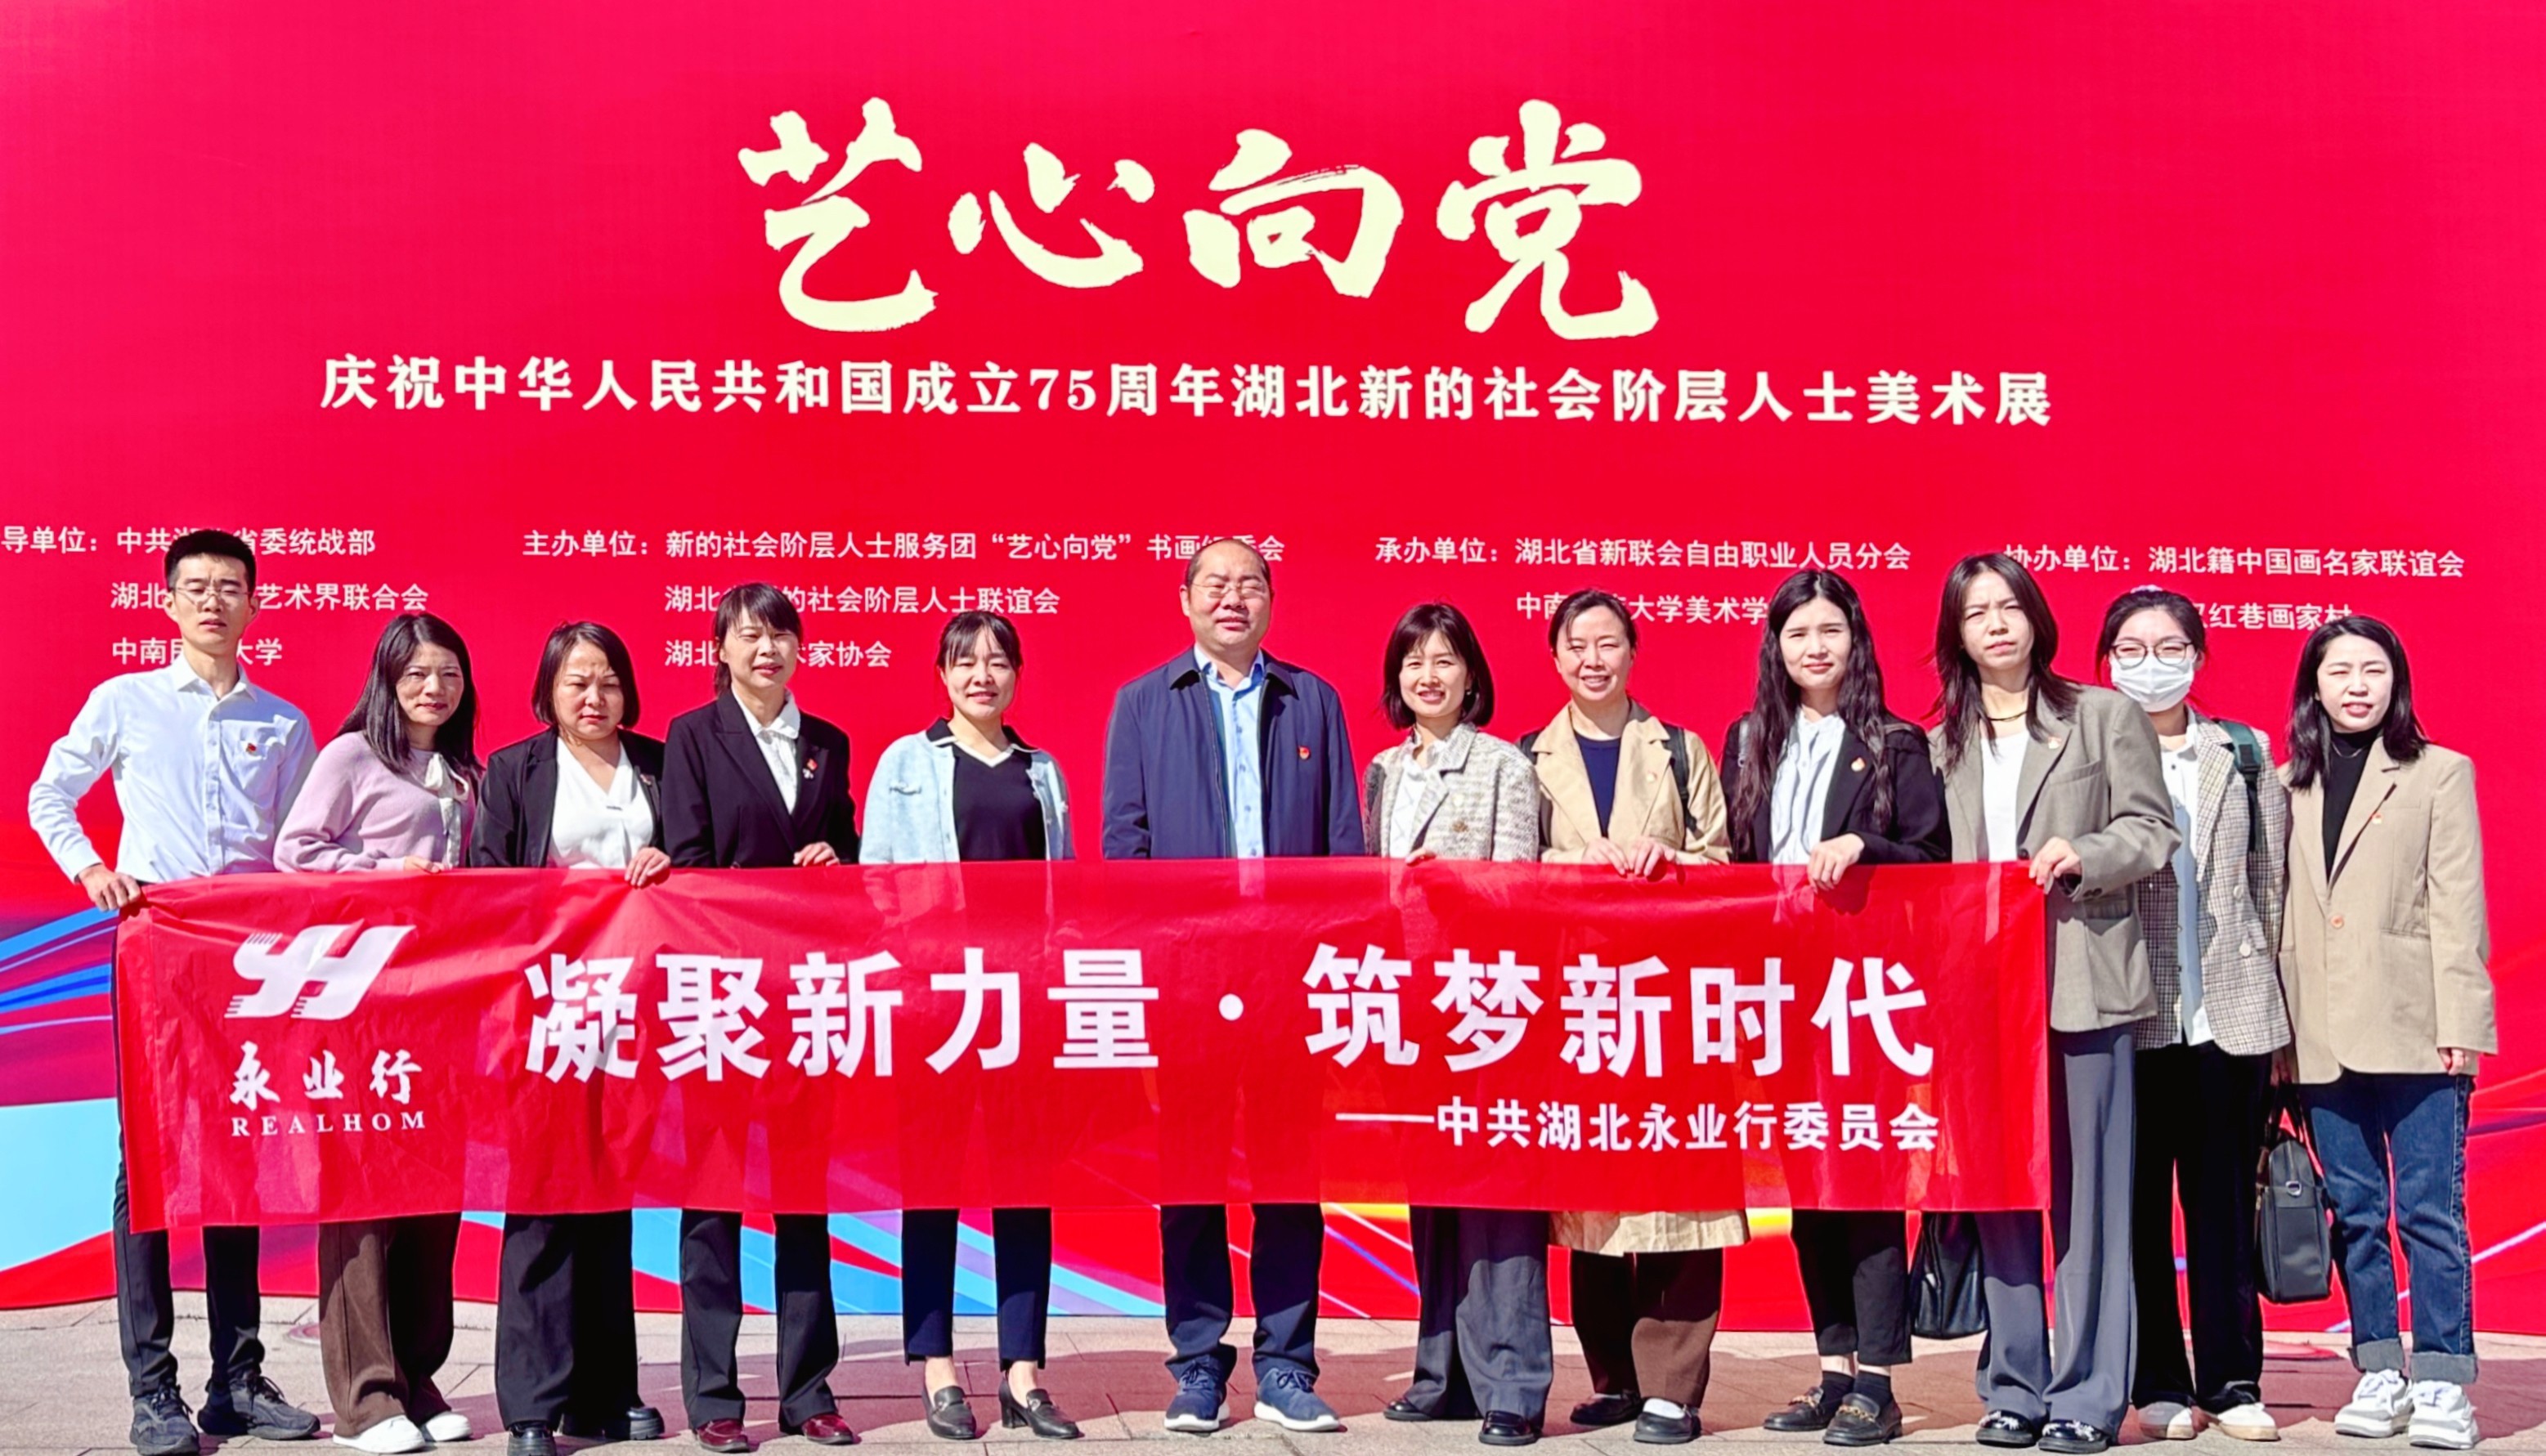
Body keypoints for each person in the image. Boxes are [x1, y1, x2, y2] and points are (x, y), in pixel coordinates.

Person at [27, 530, 325, 1456]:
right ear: (166, 602)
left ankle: (237, 1379)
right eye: (195, 587)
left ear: (254, 605)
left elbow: (300, 846)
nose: (212, 602)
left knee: (240, 1153)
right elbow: (49, 793)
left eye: (230, 587)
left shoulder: (283, 722)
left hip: (246, 958)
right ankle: (153, 1388)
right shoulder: (126, 700)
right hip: (155, 942)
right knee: (148, 1165)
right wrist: (92, 868)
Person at [1099, 537, 1362, 1436]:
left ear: (1271, 601)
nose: (1232, 598)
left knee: (1290, 1172)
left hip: (1289, 976)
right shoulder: (1144, 702)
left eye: (1250, 583)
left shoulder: (1311, 699)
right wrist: (1154, 968)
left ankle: (1286, 1363)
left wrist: (1327, 966)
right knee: (1191, 1172)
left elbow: (1342, 845)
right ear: (1185, 600)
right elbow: (1125, 847)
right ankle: (1198, 1364)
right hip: (1189, 977)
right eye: (1215, 583)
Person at [1927, 553, 2176, 1456]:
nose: (1996, 624)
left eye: (2009, 606)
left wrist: (2086, 853)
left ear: (2037, 617)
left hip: (2083, 981)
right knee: (1999, 1193)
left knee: (2091, 1203)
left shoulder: (2100, 714)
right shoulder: (1939, 741)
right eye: (1976, 613)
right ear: (1957, 635)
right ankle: (2013, 1385)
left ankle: (2090, 1393)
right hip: (1981, 997)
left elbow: (2152, 828)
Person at [1719, 571, 1946, 1448]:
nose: (1814, 647)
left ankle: (1879, 1380)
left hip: (1861, 990)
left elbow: (1935, 858)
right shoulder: (1751, 739)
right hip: (1777, 989)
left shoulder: (1895, 742)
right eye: (1797, 633)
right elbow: (1737, 860)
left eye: (1830, 631)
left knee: (1865, 1177)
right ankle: (1834, 1368)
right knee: (1808, 1184)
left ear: (1856, 640)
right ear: (1775, 647)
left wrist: (1865, 844)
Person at [1523, 588, 1741, 1447]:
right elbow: (1510, 871)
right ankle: (1613, 1376)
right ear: (1555, 657)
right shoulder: (1528, 757)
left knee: (1683, 1192)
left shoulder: (1681, 750)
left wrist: (1673, 857)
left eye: (1608, 642)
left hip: (1673, 1000)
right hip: (1578, 1000)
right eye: (1576, 644)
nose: (1593, 659)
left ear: (1633, 652)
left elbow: (1727, 867)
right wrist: (1576, 859)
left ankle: (1673, 1387)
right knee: (1594, 1194)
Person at [861, 612, 1081, 1442]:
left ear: (1017, 674)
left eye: (996, 661)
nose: (981, 674)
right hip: (940, 1006)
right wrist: (914, 971)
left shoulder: (1041, 770)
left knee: (1025, 1187)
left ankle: (1023, 1370)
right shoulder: (906, 761)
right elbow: (877, 880)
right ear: (943, 674)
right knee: (933, 1185)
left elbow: (1064, 888)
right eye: (965, 661)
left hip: (1023, 1005)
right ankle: (938, 1365)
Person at [2279, 617, 2491, 1451]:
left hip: (2416, 1026)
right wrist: (2279, 1035)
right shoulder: (2287, 782)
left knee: (2429, 1212)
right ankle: (2378, 1365)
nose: (2357, 685)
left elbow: (2458, 905)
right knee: (2356, 1212)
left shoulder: (2439, 772)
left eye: (2373, 669)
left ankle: (2442, 1375)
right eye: (2340, 671)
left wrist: (2461, 1019)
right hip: (2318, 1031)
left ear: (2397, 680)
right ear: (2315, 684)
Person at [659, 582, 860, 1453]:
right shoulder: (693, 736)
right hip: (724, 997)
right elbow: (690, 861)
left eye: (780, 635)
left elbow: (852, 853)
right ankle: (713, 1394)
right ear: (721, 649)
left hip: (806, 1000)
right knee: (712, 1205)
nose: (766, 650)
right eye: (748, 635)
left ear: (799, 647)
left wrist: (834, 861)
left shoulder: (828, 742)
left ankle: (809, 1390)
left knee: (804, 1203)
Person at [276, 612, 482, 1455]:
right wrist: (383, 871)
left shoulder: (465, 773)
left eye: (449, 673)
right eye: (417, 674)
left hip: (444, 1005)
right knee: (363, 1197)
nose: (435, 688)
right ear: (388, 682)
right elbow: (295, 851)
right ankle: (364, 1397)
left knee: (434, 1198)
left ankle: (417, 1376)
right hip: (363, 1004)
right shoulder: (352, 755)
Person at [2091, 589, 2289, 1444]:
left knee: (2222, 1209)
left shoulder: (2241, 752)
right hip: (2130, 1014)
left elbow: (2271, 884)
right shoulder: (2087, 751)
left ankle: (2233, 1380)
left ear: (2198, 656)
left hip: (2229, 1016)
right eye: (2131, 649)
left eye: (2169, 647)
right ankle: (2160, 1381)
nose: (2151, 663)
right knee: (2137, 1212)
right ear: (2107, 661)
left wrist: (2284, 1021)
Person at [471, 622, 673, 1456]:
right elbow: (488, 882)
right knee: (544, 1200)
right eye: (577, 681)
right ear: (549, 690)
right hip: (547, 1007)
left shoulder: (659, 763)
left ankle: (604, 1391)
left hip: (638, 1007)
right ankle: (531, 1403)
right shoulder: (515, 770)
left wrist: (669, 861)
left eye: (608, 681)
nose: (594, 697)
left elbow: (698, 860)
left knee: (610, 1195)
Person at [1362, 603, 1549, 1448]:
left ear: (1472, 673)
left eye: (1444, 660)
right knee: (1431, 1194)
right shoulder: (1381, 770)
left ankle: (1513, 1382)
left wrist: (1454, 884)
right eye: (1413, 662)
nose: (1428, 675)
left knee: (1499, 1198)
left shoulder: (1504, 763)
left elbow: (1521, 887)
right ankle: (1442, 1372)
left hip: (1483, 1000)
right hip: (1405, 1003)